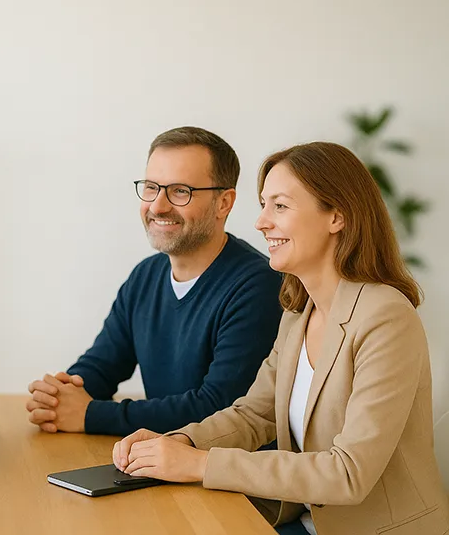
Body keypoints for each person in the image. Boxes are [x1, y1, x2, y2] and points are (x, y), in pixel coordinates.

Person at [112, 142, 449, 535]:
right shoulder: (298, 312)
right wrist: (179, 442)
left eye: (280, 206)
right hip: (301, 522)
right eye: (263, 204)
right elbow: (254, 414)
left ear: (337, 216)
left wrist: (200, 464)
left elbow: (347, 472)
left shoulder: (385, 317)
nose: (260, 222)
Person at [26, 127, 283, 436]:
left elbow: (219, 408)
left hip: (221, 476)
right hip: (161, 460)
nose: (158, 206)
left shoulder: (258, 286)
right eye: (151, 188)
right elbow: (101, 367)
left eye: (179, 191)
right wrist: (58, 395)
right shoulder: (146, 276)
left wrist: (90, 415)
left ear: (224, 203)